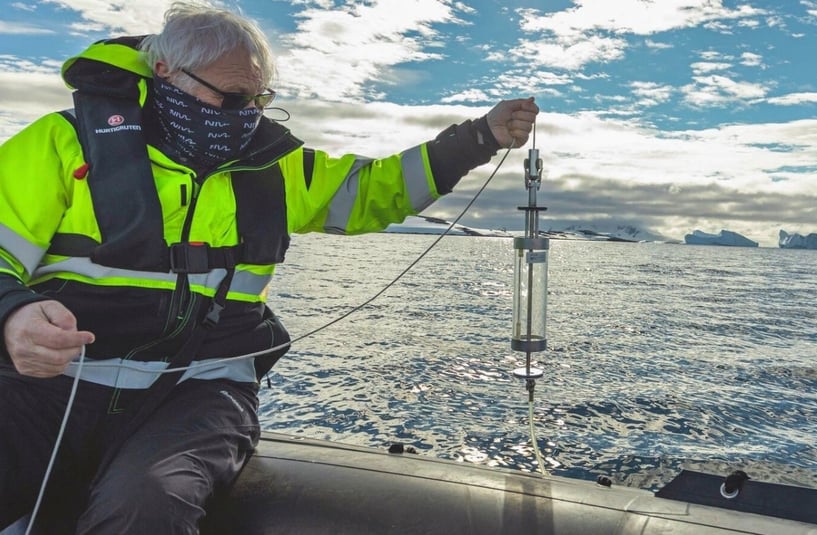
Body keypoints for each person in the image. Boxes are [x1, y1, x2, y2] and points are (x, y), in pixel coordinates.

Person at [0, 2, 538, 533]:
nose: (245, 113)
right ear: (165, 73)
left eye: (258, 99)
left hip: (198, 392)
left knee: (149, 503)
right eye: (230, 97)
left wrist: (478, 137)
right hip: (50, 384)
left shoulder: (276, 165)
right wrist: (14, 314)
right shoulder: (60, 143)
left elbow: (375, 190)